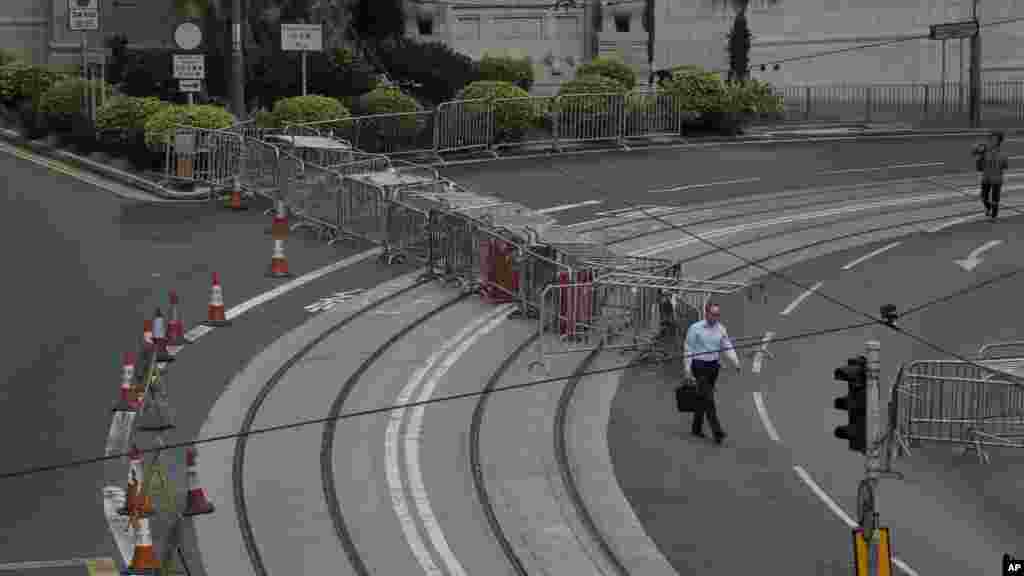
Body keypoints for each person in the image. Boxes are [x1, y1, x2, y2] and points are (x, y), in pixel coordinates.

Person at [683, 301, 742, 445]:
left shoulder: (721, 329)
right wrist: (687, 369)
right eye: (713, 314)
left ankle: (696, 427)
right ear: (706, 313)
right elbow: (688, 348)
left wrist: (736, 361)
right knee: (709, 399)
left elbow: (727, 345)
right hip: (699, 365)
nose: (716, 317)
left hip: (713, 367)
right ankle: (718, 432)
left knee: (703, 397)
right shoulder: (695, 328)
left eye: (718, 315)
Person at [973, 131, 1009, 219]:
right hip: (986, 178)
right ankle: (988, 208)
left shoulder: (1002, 153)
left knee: (995, 199)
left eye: (995, 139)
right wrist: (979, 155)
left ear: (999, 141)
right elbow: (978, 166)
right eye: (991, 139)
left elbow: (1005, 166)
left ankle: (994, 215)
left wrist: (1000, 164)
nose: (992, 141)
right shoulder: (984, 151)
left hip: (997, 179)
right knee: (983, 197)